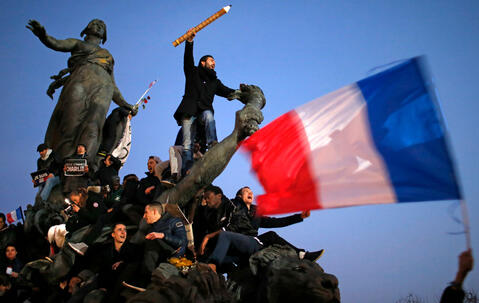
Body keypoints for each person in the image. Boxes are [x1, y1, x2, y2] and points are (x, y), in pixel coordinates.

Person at [27, 19, 136, 168]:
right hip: (80, 81)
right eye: (95, 24)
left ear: (105, 35)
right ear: (86, 29)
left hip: (103, 89)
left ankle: (86, 165)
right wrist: (44, 36)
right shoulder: (78, 44)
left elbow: (113, 85)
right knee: (70, 122)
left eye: (102, 26)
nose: (98, 26)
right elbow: (58, 44)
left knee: (94, 126)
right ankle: (62, 165)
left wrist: (125, 104)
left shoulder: (107, 55)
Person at [173, 28, 237, 174]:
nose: (214, 63)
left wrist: (241, 93)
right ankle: (187, 169)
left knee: (208, 115)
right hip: (189, 111)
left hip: (203, 110)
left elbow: (228, 91)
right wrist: (189, 42)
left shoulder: (215, 82)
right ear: (203, 63)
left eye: (214, 61)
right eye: (211, 60)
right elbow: (188, 59)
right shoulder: (193, 72)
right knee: (187, 144)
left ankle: (212, 143)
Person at [233, 186, 324, 262]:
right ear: (240, 196)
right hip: (237, 241)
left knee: (274, 247)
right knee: (271, 236)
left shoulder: (256, 213)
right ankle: (301, 254)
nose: (250, 193)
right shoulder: (233, 206)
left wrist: (299, 217)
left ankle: (299, 256)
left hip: (254, 242)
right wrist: (237, 201)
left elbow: (276, 222)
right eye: (246, 191)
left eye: (251, 192)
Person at [141, 203, 187, 277]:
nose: (144, 216)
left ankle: (150, 277)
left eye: (146, 212)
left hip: (174, 261)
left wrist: (163, 235)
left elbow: (182, 242)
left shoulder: (174, 221)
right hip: (159, 262)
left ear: (155, 211)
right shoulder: (151, 229)